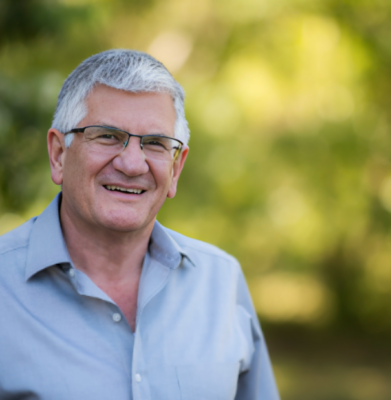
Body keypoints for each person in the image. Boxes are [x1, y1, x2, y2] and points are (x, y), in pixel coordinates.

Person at [0, 49, 279, 399]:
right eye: (107, 136)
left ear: (176, 168)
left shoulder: (222, 283)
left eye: (156, 144)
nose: (133, 164)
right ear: (59, 154)